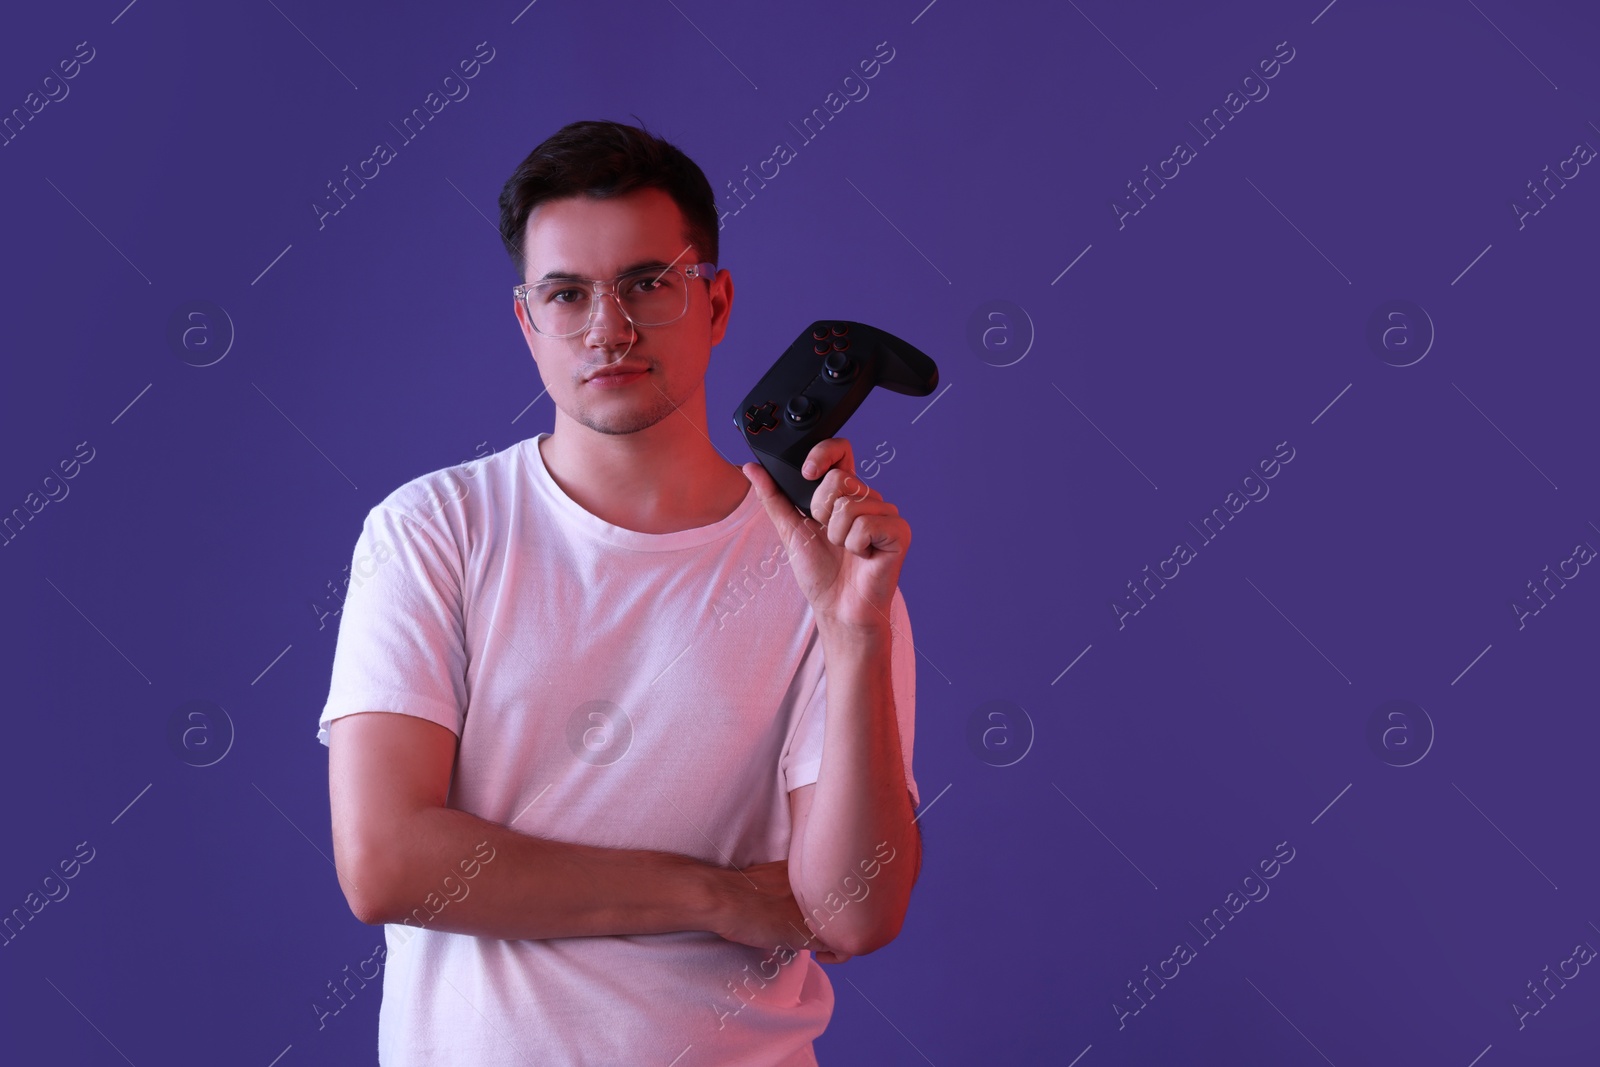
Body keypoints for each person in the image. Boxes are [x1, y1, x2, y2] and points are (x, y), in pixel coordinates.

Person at [318, 118, 922, 1066]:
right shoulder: (436, 529)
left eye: (648, 282)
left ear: (715, 301)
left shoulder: (825, 570)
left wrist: (856, 635)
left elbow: (851, 914)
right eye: (567, 293)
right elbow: (386, 861)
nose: (610, 328)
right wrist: (714, 894)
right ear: (528, 320)